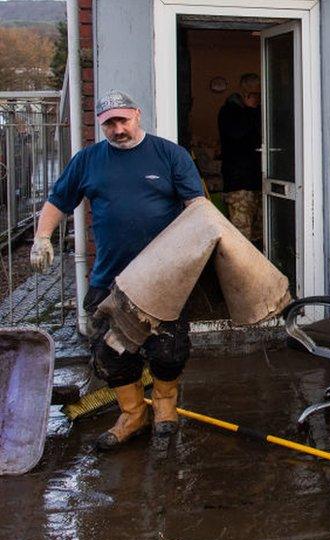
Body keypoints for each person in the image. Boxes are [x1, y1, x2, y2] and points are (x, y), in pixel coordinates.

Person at [30, 90, 205, 451]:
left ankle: (165, 408)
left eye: (123, 120)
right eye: (110, 123)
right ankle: (132, 414)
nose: (118, 128)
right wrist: (42, 237)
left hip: (163, 277)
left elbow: (197, 206)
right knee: (111, 354)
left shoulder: (169, 155)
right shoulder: (88, 160)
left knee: (168, 351)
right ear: (101, 125)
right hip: (110, 278)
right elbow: (58, 200)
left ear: (137, 115)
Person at [218, 73, 262, 245]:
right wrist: (251, 110)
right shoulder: (229, 111)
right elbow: (238, 135)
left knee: (260, 235)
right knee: (241, 236)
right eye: (257, 94)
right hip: (239, 182)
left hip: (260, 180)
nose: (259, 98)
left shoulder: (258, 112)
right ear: (247, 93)